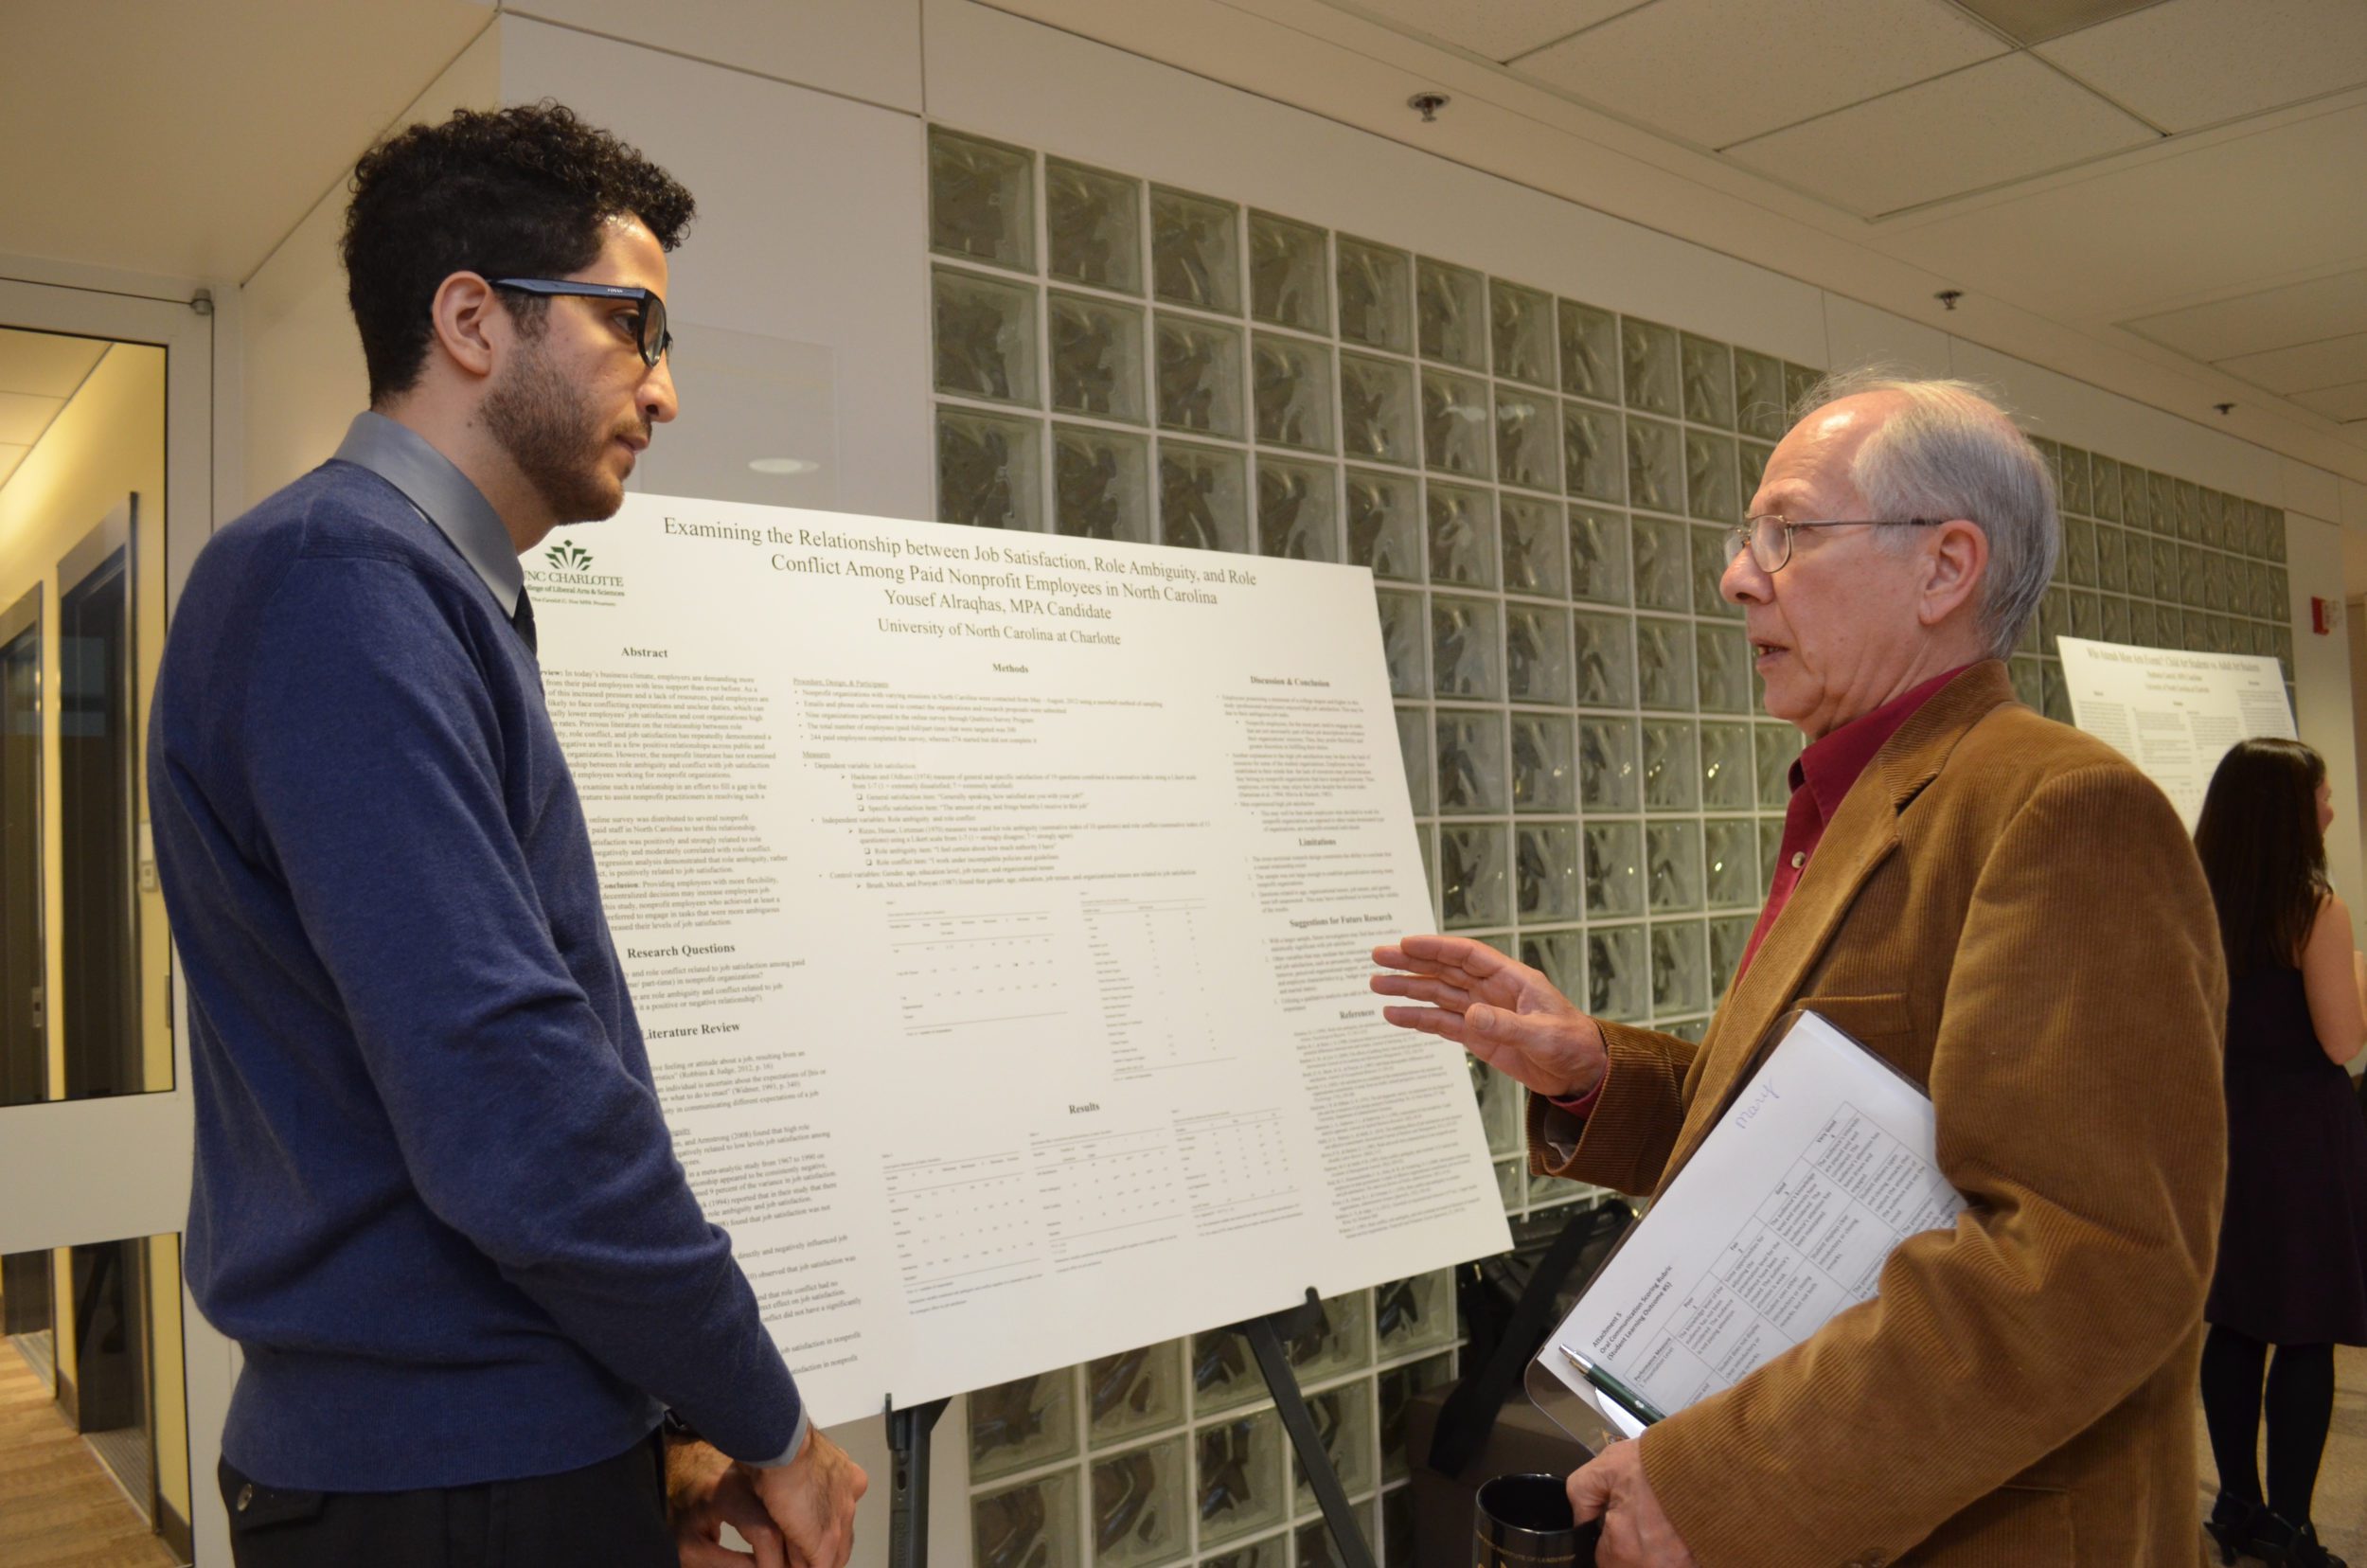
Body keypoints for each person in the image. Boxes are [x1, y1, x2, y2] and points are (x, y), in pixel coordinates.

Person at [148, 104, 864, 1567]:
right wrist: (767, 1421)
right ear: (472, 320)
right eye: (634, 327)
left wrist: (656, 1423)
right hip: (442, 1490)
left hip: (491, 1462)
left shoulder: (408, 588)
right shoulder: (335, 582)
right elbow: (512, 1099)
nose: (665, 393)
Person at [1373, 373, 2227, 1567]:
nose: (1737, 575)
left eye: (1789, 532)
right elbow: (1838, 1143)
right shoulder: (1864, 793)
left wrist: (1725, 1483)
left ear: (1944, 568)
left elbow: (2094, 1261)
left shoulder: (2059, 808)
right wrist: (1592, 1077)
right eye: (1746, 537)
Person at [2194, 739, 2367, 1568]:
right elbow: (2342, 1041)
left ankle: (2235, 1504)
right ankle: (2291, 1529)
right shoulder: (2313, 908)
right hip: (2301, 1137)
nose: (2332, 807)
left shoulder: (2195, 896)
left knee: (2234, 1321)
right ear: (2290, 813)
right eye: (2323, 794)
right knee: (2305, 1328)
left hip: (2223, 1129)